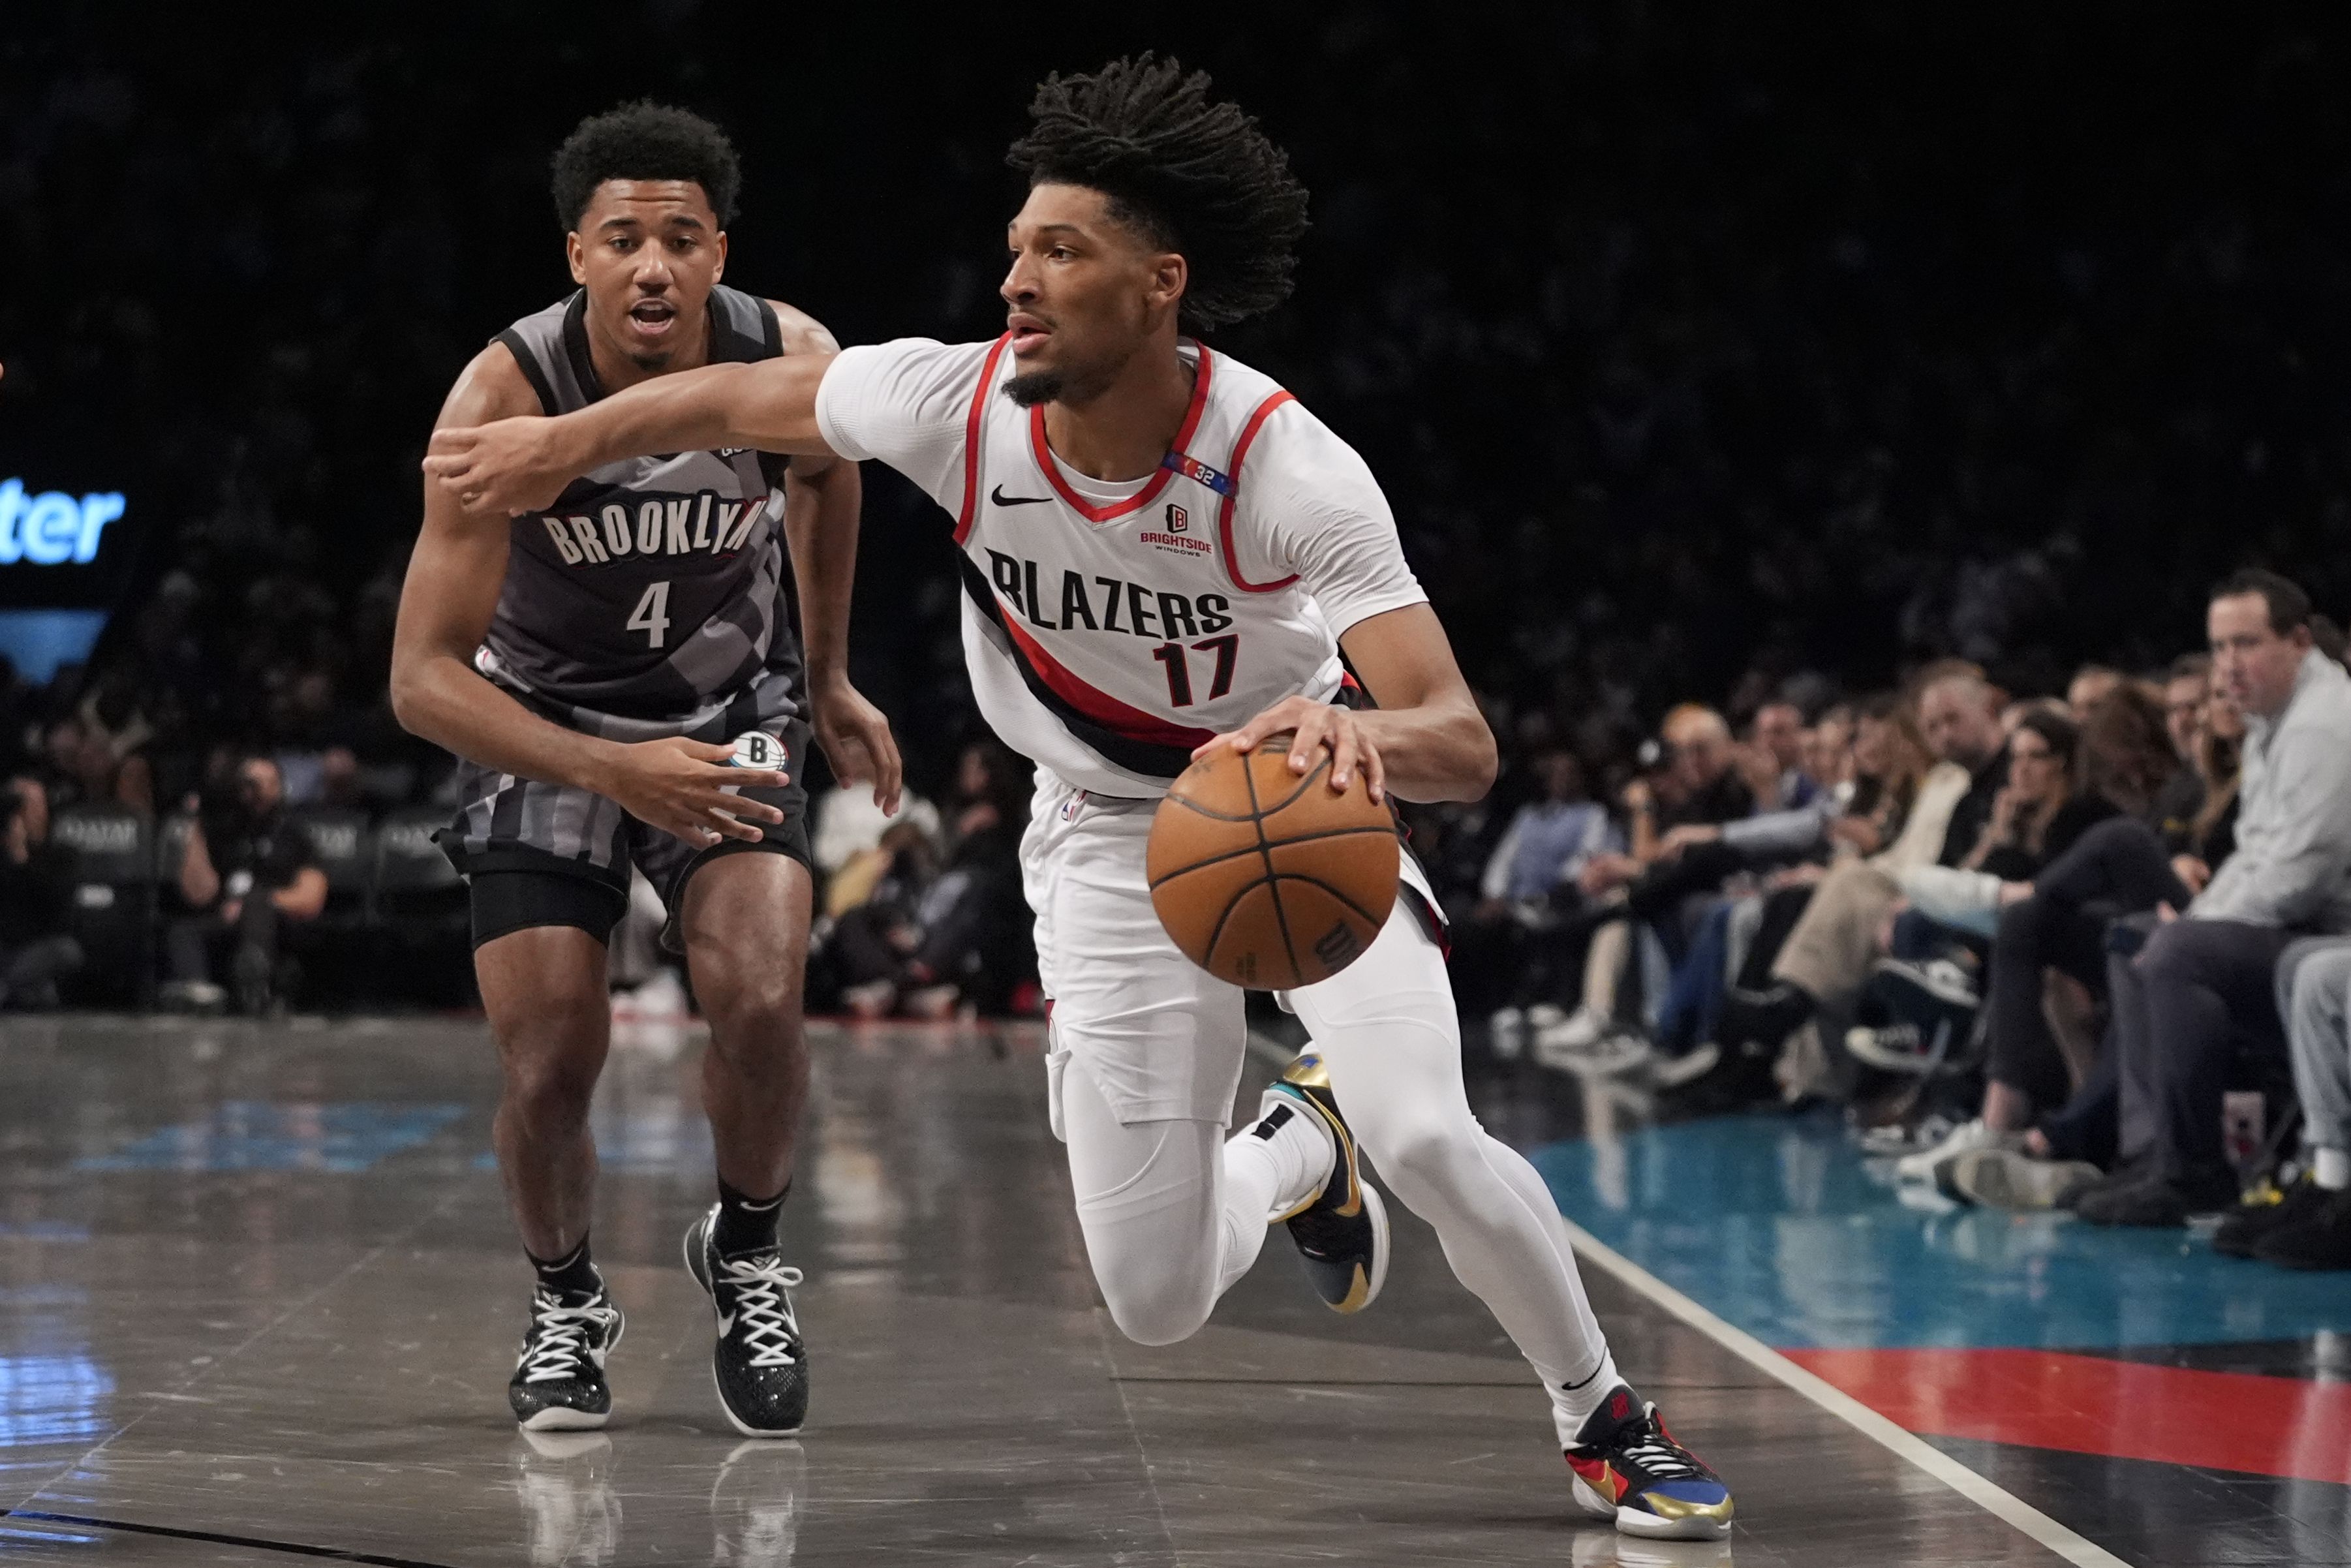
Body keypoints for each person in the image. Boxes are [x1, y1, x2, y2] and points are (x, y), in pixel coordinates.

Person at [424, 57, 1733, 1541]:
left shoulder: (1282, 463)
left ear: (1159, 284)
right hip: (1106, 835)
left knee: (1426, 1131)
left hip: (1296, 807)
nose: (1015, 280)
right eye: (1015, 249)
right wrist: (556, 442)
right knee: (1156, 1298)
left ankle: (1600, 1414)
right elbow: (740, 394)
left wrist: (1352, 729)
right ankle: (1299, 1146)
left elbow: (1458, 737)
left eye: (1058, 252)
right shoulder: (953, 402)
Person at [388, 104, 902, 1436]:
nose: (654, 265)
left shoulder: (790, 356)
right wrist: (615, 772)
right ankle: (566, 1301)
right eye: (623, 239)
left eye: (681, 237)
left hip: (729, 703)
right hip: (545, 715)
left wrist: (828, 676)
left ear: (720, 250)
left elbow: (829, 476)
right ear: (578, 256)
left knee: (762, 998)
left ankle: (747, 1252)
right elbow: (422, 680)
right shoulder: (504, 394)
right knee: (549, 1062)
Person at [2076, 570, 2351, 1227]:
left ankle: (2196, 1171)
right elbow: (2252, 855)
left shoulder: (2323, 725)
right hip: (2298, 927)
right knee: (2138, 936)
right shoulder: (2272, 721)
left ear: (2298, 641)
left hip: (2329, 935)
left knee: (2179, 954)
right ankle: (2151, 1152)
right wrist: (2193, 919)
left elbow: (2301, 876)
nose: (2229, 664)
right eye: (2220, 647)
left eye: (2246, 643)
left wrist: (2195, 932)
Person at [165, 756, 328, 1015]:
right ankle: (198, 993)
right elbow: (199, 894)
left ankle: (256, 983)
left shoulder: (294, 833)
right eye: (249, 783)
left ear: (279, 788)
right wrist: (197, 826)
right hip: (227, 915)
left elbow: (312, 897)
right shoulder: (226, 829)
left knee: (257, 908)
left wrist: (258, 901)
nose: (255, 791)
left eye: (264, 783)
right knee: (184, 931)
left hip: (276, 921)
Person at [0, 776, 83, 1010]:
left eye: (38, 805)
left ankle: (6, 987)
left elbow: (56, 909)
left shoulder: (62, 855)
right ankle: (18, 990)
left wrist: (21, 858)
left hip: (38, 947)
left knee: (67, 951)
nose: (33, 812)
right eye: (24, 806)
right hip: (4, 947)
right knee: (41, 996)